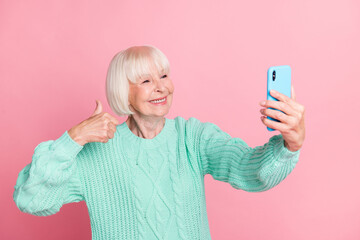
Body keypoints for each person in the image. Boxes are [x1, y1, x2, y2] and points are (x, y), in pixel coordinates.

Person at [13, 45, 306, 240]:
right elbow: (31, 199)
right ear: (122, 92)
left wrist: (290, 144)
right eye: (145, 81)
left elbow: (249, 170)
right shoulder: (95, 153)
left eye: (164, 75)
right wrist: (73, 139)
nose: (161, 86)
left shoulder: (193, 138)